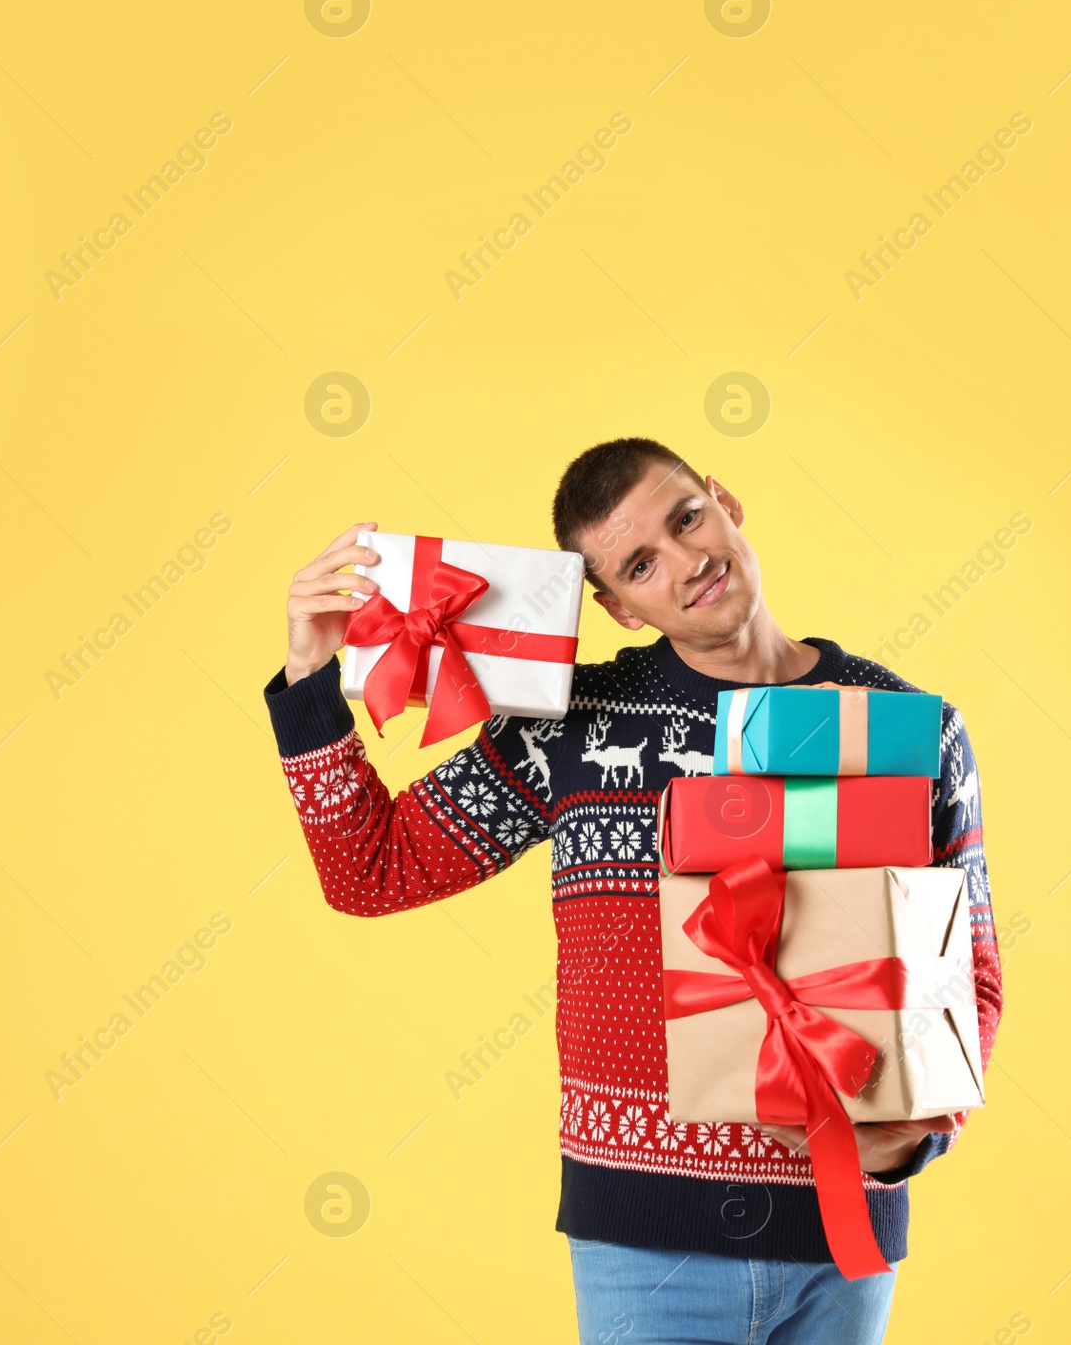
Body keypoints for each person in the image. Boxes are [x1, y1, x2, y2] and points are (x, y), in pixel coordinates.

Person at [265, 437, 1003, 1345]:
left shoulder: (910, 728)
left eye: (689, 519)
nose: (690, 563)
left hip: (843, 1240)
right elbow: (370, 870)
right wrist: (311, 676)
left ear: (727, 502)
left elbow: (969, 973)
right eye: (641, 564)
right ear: (614, 608)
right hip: (645, 1249)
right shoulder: (570, 728)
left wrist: (912, 1139)